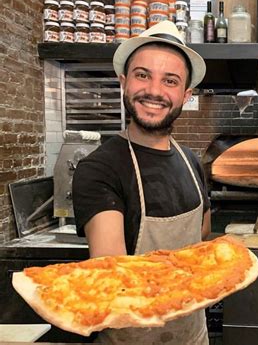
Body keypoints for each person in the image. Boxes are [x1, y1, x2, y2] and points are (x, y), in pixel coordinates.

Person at [72, 21, 211, 345]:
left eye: (170, 80)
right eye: (143, 75)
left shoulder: (192, 161)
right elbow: (115, 275)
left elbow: (202, 233)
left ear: (185, 94)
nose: (155, 91)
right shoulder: (99, 168)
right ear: (124, 82)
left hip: (193, 336)